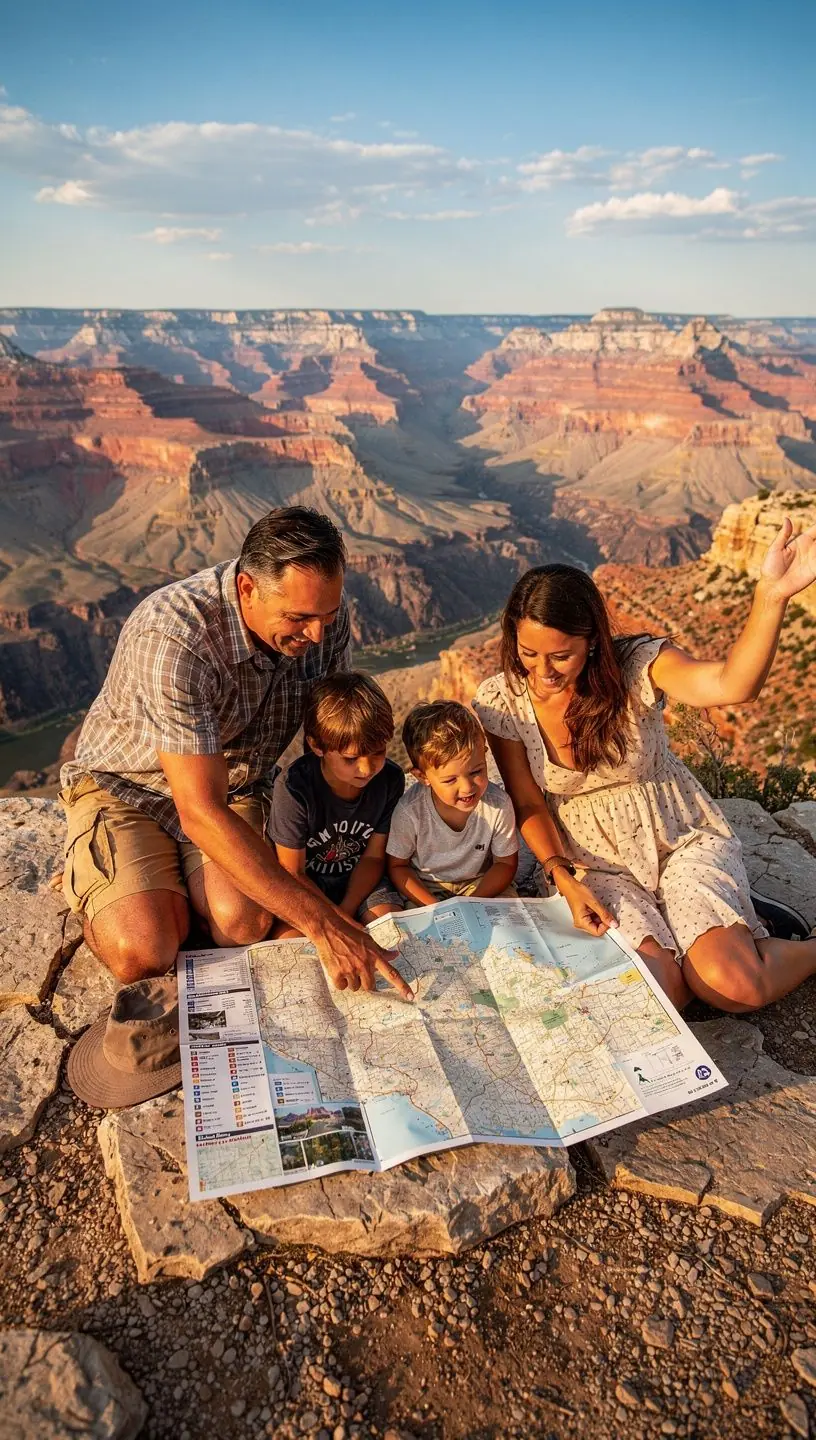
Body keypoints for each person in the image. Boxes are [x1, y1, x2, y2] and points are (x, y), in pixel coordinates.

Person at [59, 506, 411, 1001]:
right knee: (142, 952)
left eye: (327, 616)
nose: (317, 635)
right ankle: (102, 874)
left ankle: (163, 888)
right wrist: (325, 924)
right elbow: (199, 811)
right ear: (248, 589)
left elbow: (333, 730)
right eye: (299, 619)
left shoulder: (322, 615)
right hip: (128, 788)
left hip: (237, 783)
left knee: (243, 923)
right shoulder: (175, 638)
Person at [472, 516, 816, 1014]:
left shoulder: (637, 666)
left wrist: (772, 595)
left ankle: (794, 945)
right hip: (592, 862)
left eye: (562, 656)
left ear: (592, 641)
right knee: (659, 994)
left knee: (731, 986)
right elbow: (527, 800)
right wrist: (562, 877)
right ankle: (725, 925)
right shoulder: (502, 699)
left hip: (680, 839)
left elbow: (733, 686)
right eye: (529, 653)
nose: (543, 671)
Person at [269, 671, 405, 935]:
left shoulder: (390, 780)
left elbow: (374, 857)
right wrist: (335, 919)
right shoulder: (294, 789)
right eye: (351, 758)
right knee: (291, 940)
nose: (367, 768)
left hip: (362, 882)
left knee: (390, 927)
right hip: (308, 886)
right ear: (317, 746)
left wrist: (346, 911)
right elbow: (293, 872)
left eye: (378, 752)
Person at [387, 701, 518, 907]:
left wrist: (472, 902)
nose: (467, 787)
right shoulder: (410, 811)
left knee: (509, 910)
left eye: (476, 771)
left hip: (480, 884)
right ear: (422, 777)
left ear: (484, 754)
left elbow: (505, 863)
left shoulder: (498, 804)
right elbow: (398, 866)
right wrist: (435, 907)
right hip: (427, 888)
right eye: (450, 780)